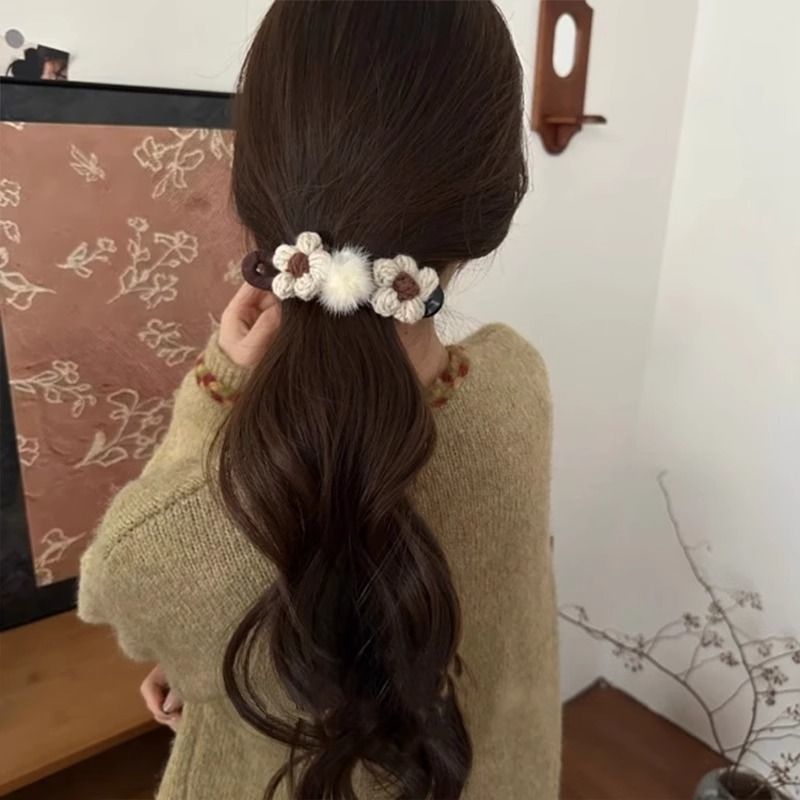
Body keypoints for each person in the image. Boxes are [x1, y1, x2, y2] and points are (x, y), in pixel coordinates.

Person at [77, 1, 560, 798]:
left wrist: (215, 391)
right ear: (494, 201)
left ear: (256, 189)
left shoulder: (171, 536)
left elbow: (133, 594)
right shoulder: (518, 385)